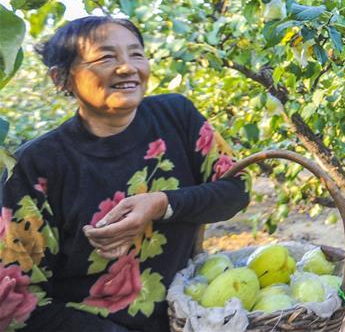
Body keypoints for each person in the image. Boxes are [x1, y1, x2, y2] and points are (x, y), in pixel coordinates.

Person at [0, 17, 250, 332]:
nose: (127, 67)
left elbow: (237, 188)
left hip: (191, 314)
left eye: (136, 54)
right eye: (106, 57)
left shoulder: (177, 116)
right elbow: (16, 303)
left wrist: (162, 204)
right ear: (61, 79)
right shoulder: (36, 165)